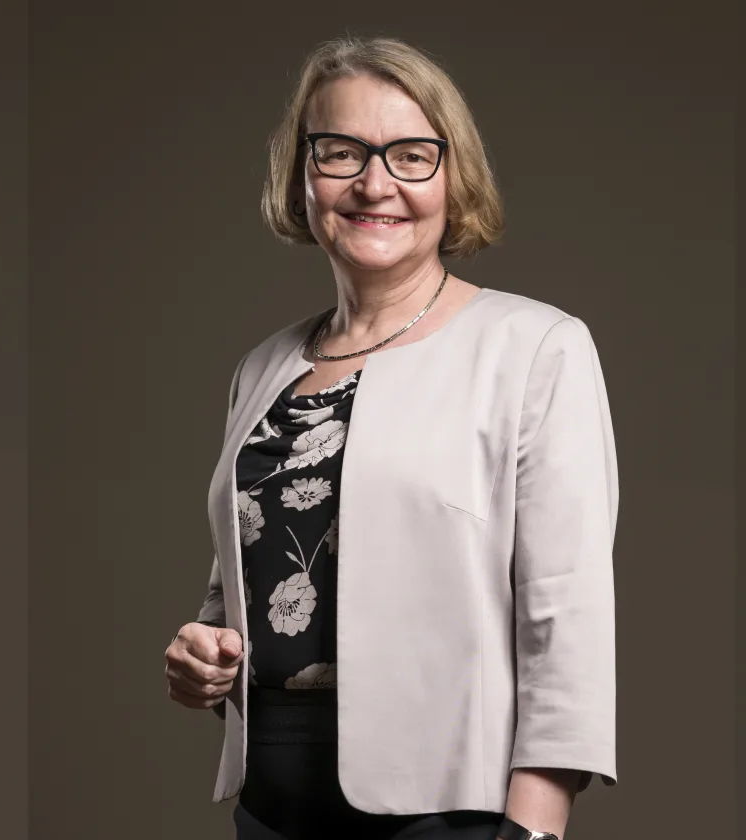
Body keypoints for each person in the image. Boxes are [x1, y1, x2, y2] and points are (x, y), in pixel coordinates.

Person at [163, 36, 616, 840]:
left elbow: (566, 617)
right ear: (301, 178)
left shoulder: (534, 347)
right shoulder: (263, 369)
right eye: (341, 153)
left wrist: (535, 828)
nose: (376, 183)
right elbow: (243, 578)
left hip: (449, 805)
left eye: (411, 154)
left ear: (454, 176)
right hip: (270, 795)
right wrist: (205, 651)